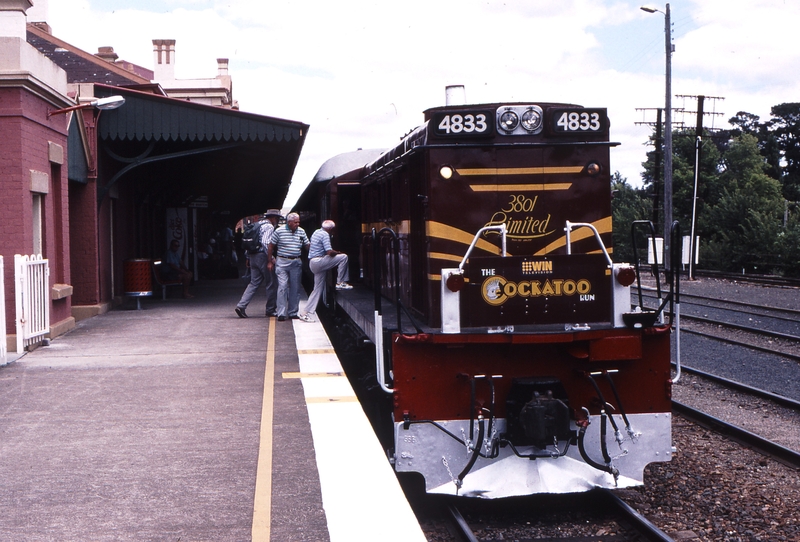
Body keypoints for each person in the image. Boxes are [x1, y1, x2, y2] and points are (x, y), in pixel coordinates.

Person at [298, 220, 353, 322]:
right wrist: (337, 252)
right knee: (343, 257)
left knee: (317, 289)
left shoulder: (316, 232)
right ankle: (340, 282)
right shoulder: (325, 235)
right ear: (330, 229)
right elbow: (329, 252)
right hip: (319, 261)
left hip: (313, 263)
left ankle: (304, 313)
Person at [234, 209, 282, 318]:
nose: (277, 221)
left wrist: (247, 257)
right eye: (277, 219)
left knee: (253, 283)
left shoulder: (256, 224)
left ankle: (241, 306)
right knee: (271, 283)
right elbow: (265, 242)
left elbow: (249, 241)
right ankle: (270, 309)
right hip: (262, 257)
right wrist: (271, 259)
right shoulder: (269, 227)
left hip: (252, 256)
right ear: (274, 218)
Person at [266, 212, 309, 321]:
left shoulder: (301, 231)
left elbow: (307, 245)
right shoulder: (279, 231)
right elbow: (271, 246)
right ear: (289, 222)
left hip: (296, 262)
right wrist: (270, 261)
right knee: (282, 286)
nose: (297, 224)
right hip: (282, 262)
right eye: (295, 222)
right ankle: (281, 313)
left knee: (295, 287)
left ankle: (293, 312)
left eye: (298, 222)